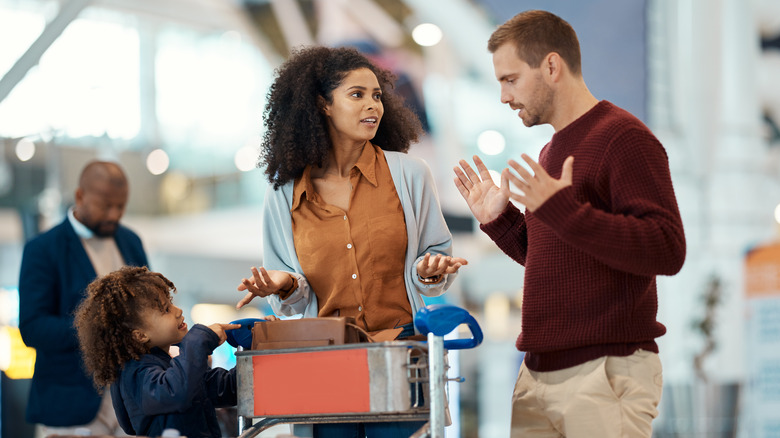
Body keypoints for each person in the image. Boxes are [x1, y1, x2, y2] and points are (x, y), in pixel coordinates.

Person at [453, 10, 686, 438]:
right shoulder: (550, 152)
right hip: (539, 375)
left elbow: (667, 248)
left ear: (552, 66)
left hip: (602, 373)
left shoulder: (623, 138)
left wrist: (566, 212)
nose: (503, 96)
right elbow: (558, 256)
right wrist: (500, 221)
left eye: (510, 79)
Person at [235, 45, 467, 438]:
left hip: (400, 358)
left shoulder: (410, 175)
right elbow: (290, 300)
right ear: (323, 105)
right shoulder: (283, 194)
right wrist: (284, 284)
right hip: (324, 365)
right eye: (356, 94)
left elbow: (433, 260)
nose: (372, 105)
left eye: (377, 95)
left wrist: (429, 271)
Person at [18, 160, 148, 436]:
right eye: (105, 205)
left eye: (120, 206)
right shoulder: (43, 249)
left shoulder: (131, 242)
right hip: (69, 404)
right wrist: (99, 330)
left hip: (131, 402)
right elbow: (32, 328)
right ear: (80, 196)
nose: (114, 214)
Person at [73, 266, 268, 438]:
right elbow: (176, 392)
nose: (178, 311)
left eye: (171, 302)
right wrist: (199, 341)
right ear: (140, 335)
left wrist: (259, 348)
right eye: (165, 309)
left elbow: (228, 389)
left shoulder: (173, 368)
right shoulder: (136, 375)